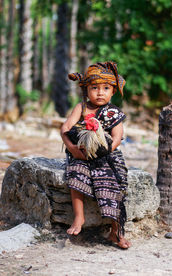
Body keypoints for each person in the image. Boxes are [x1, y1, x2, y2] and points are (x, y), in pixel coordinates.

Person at [60, 61, 131, 249]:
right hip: (81, 154)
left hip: (106, 156)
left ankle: (116, 230)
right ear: (86, 90)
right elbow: (65, 129)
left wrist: (105, 151)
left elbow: (117, 137)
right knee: (75, 172)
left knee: (112, 182)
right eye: (94, 88)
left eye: (106, 88)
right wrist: (73, 149)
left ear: (113, 91)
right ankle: (79, 217)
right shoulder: (81, 108)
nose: (100, 92)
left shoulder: (113, 112)